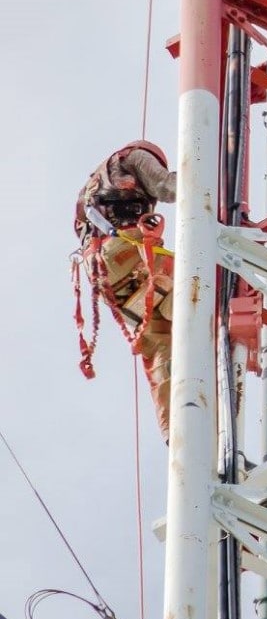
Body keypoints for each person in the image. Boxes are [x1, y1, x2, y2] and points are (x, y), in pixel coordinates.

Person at [73, 142, 177, 440]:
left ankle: (174, 425)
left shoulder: (94, 184)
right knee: (202, 275)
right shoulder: (135, 158)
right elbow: (167, 187)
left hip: (103, 270)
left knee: (159, 341)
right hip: (126, 249)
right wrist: (205, 177)